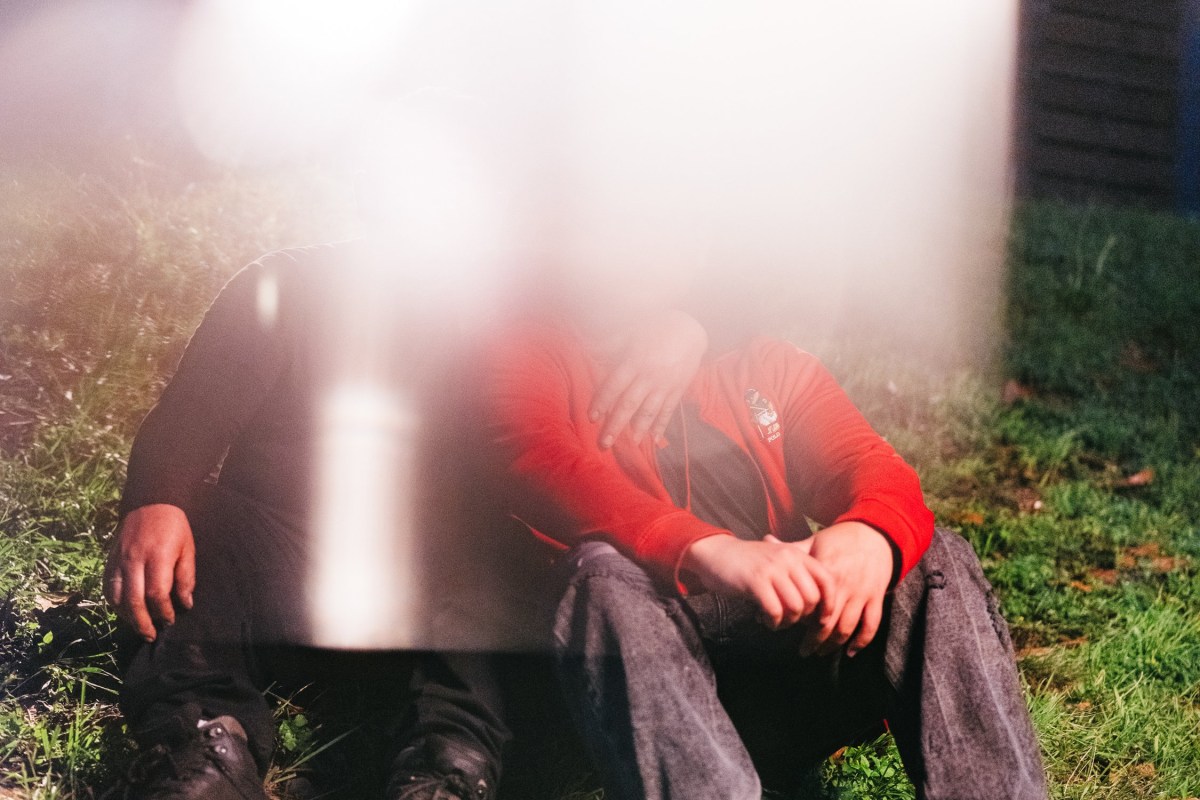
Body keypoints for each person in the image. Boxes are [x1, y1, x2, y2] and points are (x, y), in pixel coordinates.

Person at [100, 237, 706, 800]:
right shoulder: (295, 285)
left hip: (431, 593)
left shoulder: (536, 321)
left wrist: (690, 328)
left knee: (495, 567)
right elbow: (192, 413)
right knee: (193, 532)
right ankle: (204, 743)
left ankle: (445, 763)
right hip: (278, 548)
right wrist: (159, 496)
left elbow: (673, 286)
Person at [478, 315, 1049, 800]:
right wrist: (712, 550)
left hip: (790, 658)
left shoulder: (766, 365)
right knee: (599, 575)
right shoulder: (532, 355)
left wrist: (870, 536)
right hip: (646, 690)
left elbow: (871, 466)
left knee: (932, 554)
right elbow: (542, 463)